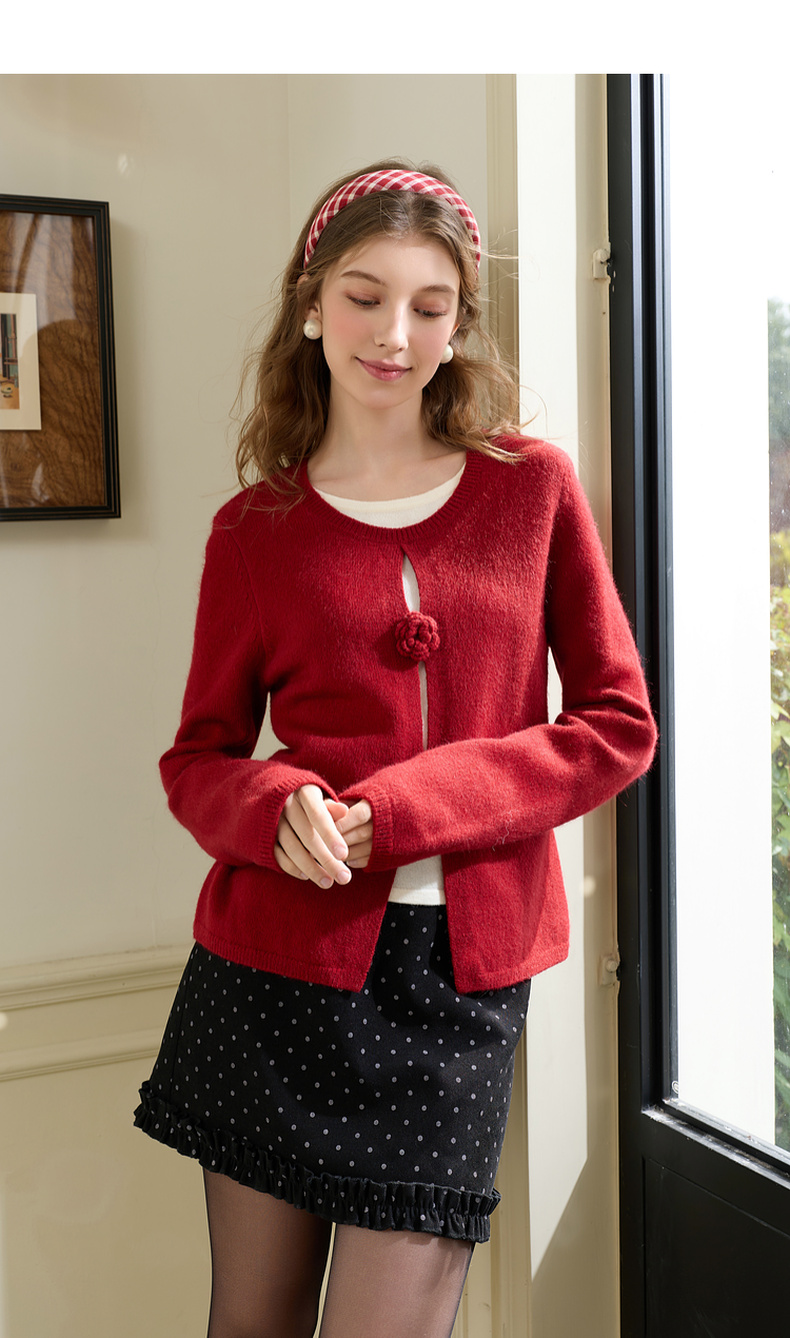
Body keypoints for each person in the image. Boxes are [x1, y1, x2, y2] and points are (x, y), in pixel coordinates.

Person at [135, 159, 656, 1338]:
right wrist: (273, 804)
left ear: (460, 324)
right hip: (271, 971)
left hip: (456, 985)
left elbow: (615, 724)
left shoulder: (531, 490)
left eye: (430, 306)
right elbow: (198, 758)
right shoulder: (254, 530)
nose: (394, 335)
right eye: (365, 297)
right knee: (251, 1323)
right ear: (311, 305)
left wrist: (413, 808)